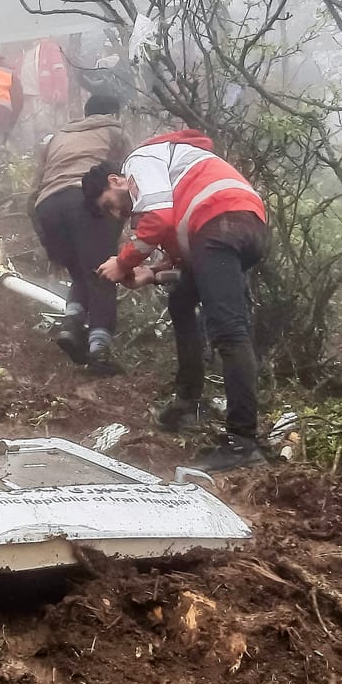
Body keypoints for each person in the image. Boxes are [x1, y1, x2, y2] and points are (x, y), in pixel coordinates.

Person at [85, 130, 269, 474]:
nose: (117, 214)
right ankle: (187, 403)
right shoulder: (175, 180)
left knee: (228, 330)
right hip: (240, 223)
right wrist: (150, 273)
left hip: (221, 220)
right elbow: (187, 258)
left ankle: (243, 443)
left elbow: (159, 219)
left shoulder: (138, 161)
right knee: (182, 300)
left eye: (110, 203)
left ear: (116, 180)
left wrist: (122, 263)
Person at [28, 92, 130, 373]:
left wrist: (42, 228)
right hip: (85, 200)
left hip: (47, 205)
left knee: (80, 272)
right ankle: (100, 351)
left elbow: (36, 185)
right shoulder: (114, 131)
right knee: (102, 274)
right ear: (113, 114)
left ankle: (72, 325)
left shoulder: (58, 137)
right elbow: (127, 179)